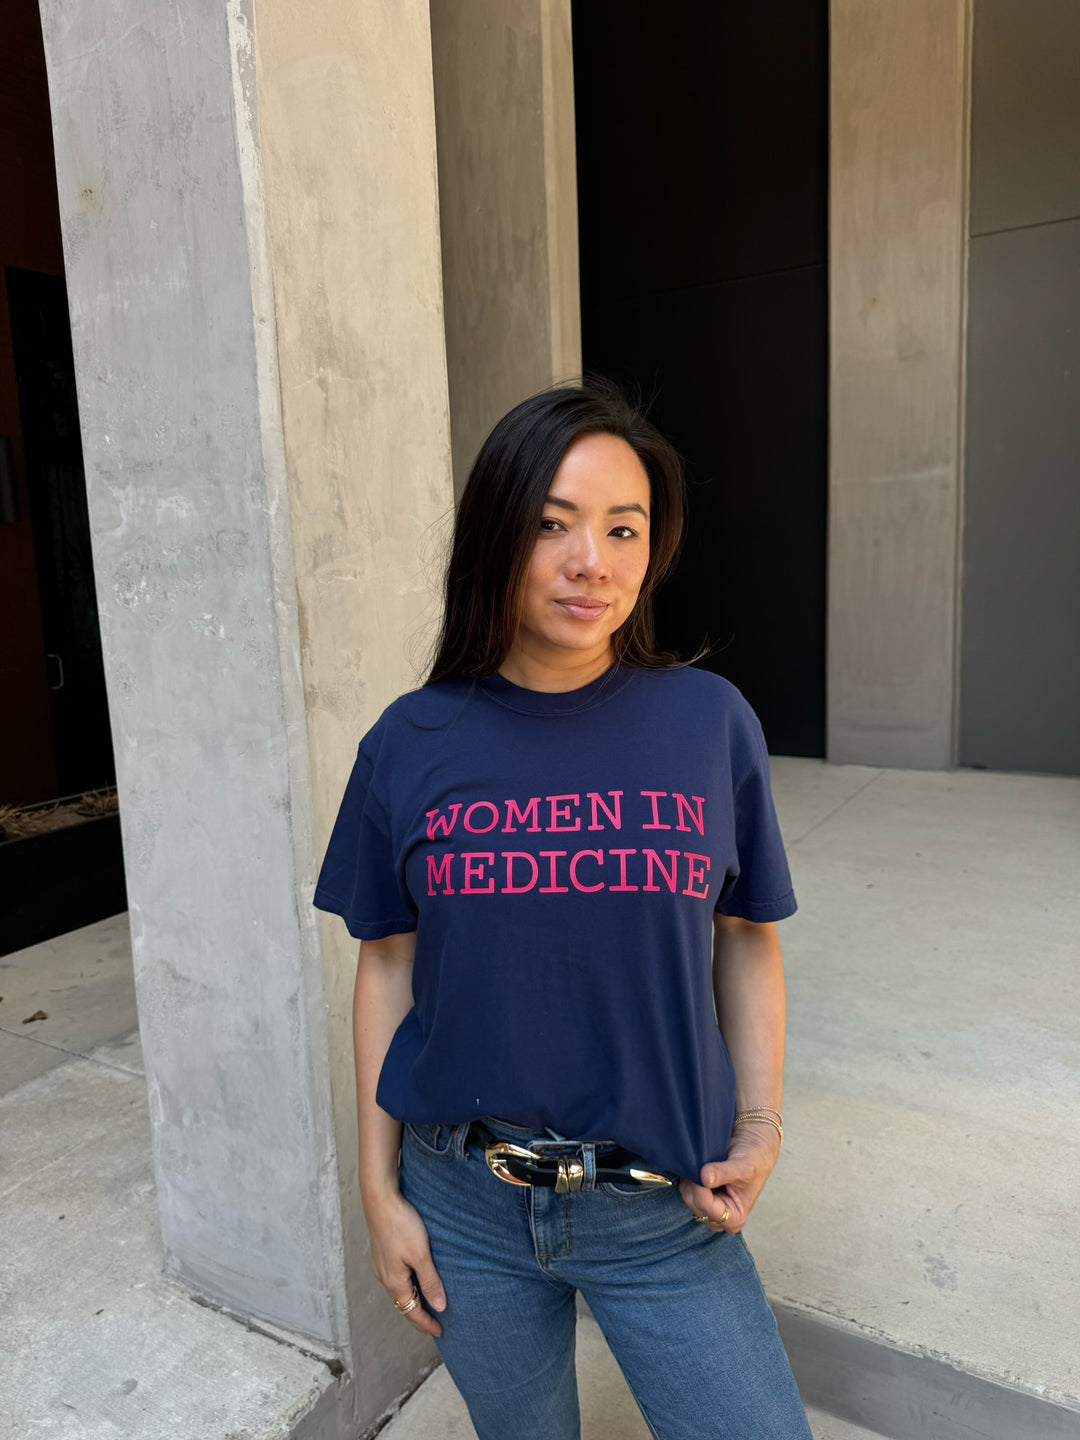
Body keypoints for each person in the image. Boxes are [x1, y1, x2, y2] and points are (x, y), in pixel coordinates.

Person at [313, 381, 813, 1440]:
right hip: (464, 1202)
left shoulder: (709, 722)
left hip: (662, 1205)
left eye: (624, 529)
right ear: (496, 534)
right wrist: (379, 1191)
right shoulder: (409, 741)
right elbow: (389, 966)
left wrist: (761, 1124)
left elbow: (746, 934)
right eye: (554, 524)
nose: (594, 561)